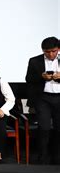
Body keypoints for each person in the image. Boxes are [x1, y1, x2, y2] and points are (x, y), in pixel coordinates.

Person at [25, 36, 60, 164]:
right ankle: (43, 156)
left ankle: (57, 157)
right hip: (43, 98)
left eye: (53, 51)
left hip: (59, 97)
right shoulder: (34, 61)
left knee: (58, 128)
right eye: (47, 51)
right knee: (44, 128)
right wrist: (41, 76)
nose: (50, 54)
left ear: (58, 49)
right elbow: (28, 79)